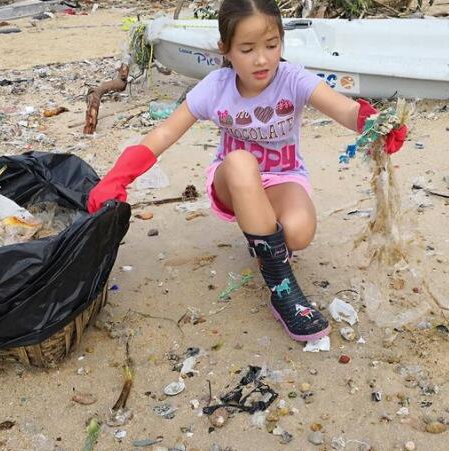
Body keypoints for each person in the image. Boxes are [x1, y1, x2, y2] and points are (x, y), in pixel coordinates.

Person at [87, 0, 407, 342]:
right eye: (247, 49)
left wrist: (374, 125)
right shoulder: (216, 86)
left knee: (298, 234)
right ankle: (282, 288)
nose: (262, 59)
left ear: (282, 41)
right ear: (225, 49)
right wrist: (117, 178)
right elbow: (165, 132)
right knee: (241, 161)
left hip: (283, 178)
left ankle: (263, 238)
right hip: (233, 181)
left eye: (271, 46)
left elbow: (343, 109)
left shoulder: (292, 79)